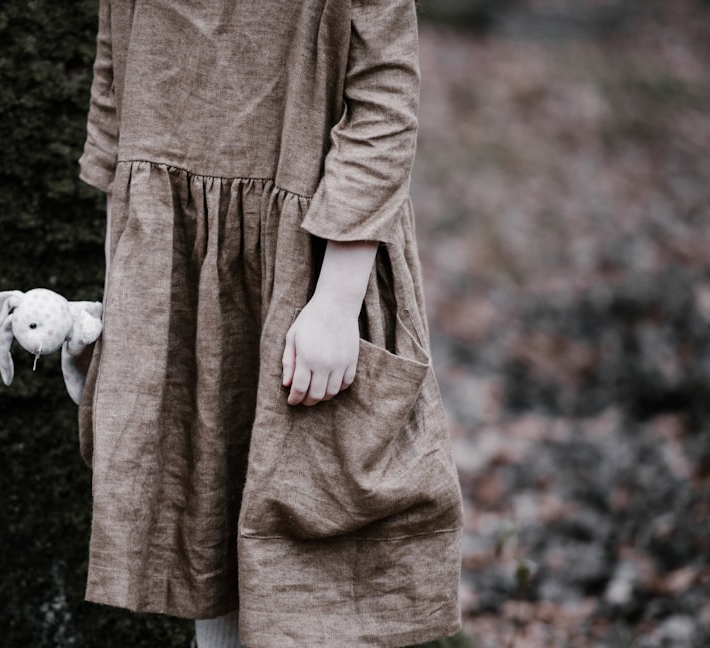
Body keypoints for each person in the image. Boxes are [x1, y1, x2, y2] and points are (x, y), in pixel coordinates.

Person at [77, 1, 463, 646]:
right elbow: (113, 104)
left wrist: (336, 303)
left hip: (315, 272)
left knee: (318, 528)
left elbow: (385, 110)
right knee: (204, 516)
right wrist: (128, 298)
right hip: (174, 278)